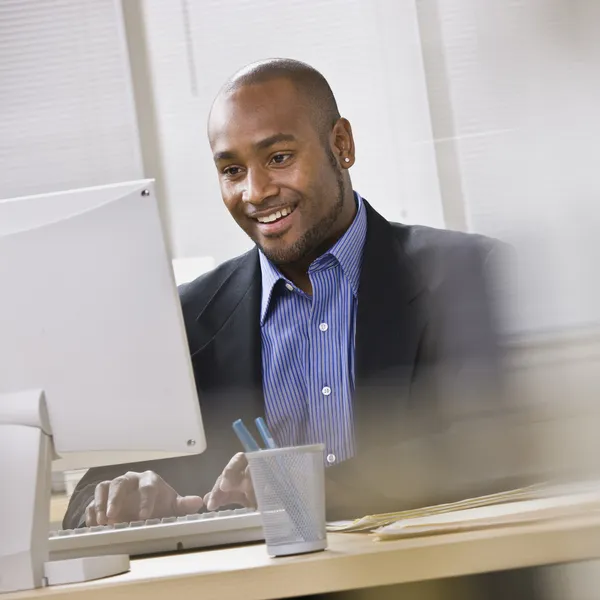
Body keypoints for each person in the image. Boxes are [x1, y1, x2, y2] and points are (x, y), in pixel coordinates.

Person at [64, 58, 519, 530]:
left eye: (278, 158)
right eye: (232, 170)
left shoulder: (470, 273)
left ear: (340, 145)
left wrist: (317, 487)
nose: (255, 192)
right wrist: (122, 498)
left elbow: (501, 443)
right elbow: (84, 505)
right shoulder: (184, 320)